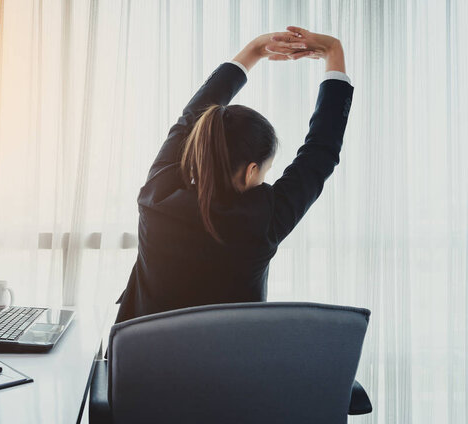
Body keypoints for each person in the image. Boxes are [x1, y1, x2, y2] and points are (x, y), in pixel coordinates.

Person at [115, 26, 353, 324]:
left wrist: (253, 51)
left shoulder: (156, 194)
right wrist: (334, 51)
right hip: (229, 371)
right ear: (251, 170)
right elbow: (321, 151)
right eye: (266, 169)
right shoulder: (264, 219)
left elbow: (189, 119)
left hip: (141, 365)